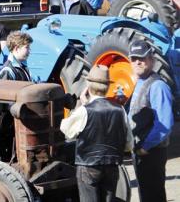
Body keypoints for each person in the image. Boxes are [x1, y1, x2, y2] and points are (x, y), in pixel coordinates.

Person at [60, 65, 133, 202]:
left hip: (88, 166)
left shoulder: (85, 111)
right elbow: (129, 144)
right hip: (112, 166)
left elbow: (66, 130)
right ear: (107, 87)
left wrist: (82, 105)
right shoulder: (120, 110)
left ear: (88, 86)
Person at [127, 40, 173, 202]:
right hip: (140, 150)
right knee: (145, 194)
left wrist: (145, 147)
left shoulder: (158, 86)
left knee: (153, 195)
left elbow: (165, 124)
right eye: (134, 59)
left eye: (142, 58)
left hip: (151, 152)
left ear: (151, 60)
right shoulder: (139, 82)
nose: (137, 62)